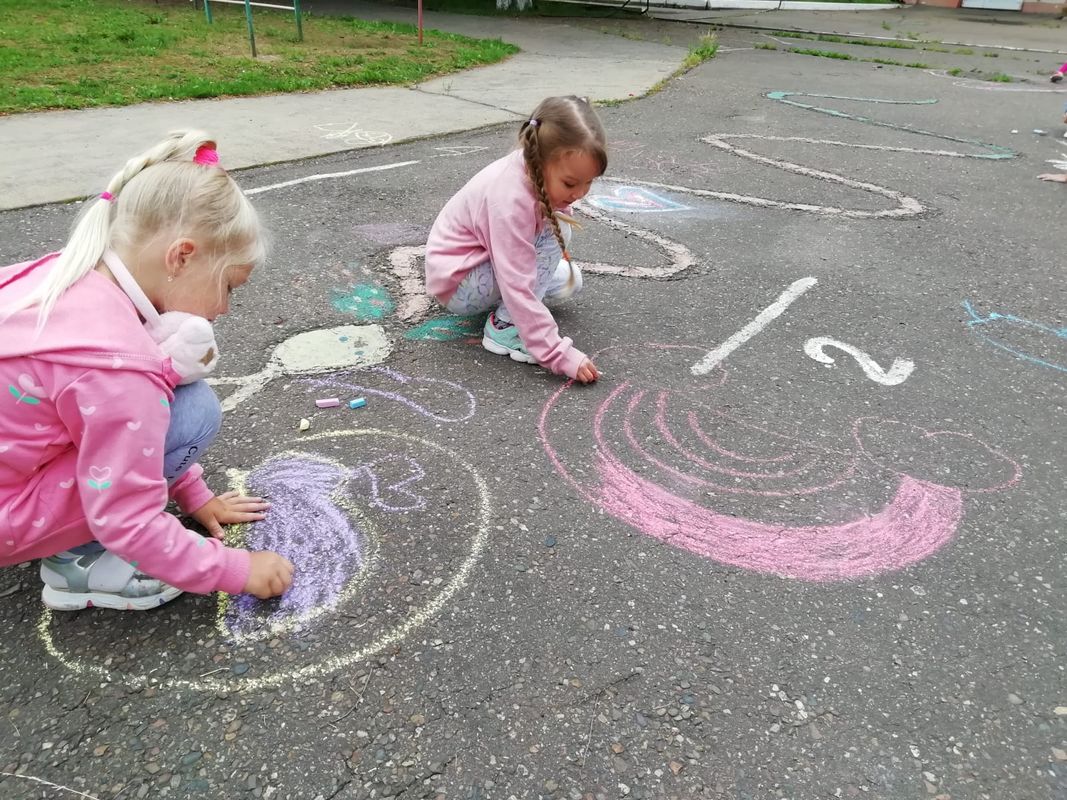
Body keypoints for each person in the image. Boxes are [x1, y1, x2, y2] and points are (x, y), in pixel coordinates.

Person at [0, 130, 294, 611]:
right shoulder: (120, 365)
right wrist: (236, 570)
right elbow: (127, 516)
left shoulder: (62, 274)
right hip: (10, 518)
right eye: (229, 286)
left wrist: (193, 493)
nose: (224, 308)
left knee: (167, 408)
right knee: (193, 410)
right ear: (181, 256)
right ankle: (80, 564)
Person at [425, 96, 607, 384]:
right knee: (555, 231)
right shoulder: (509, 200)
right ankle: (504, 327)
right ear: (542, 160)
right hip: (459, 284)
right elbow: (516, 280)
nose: (580, 193)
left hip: (479, 270)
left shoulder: (533, 172)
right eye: (571, 183)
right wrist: (557, 353)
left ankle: (514, 315)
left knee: (569, 282)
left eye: (589, 182)